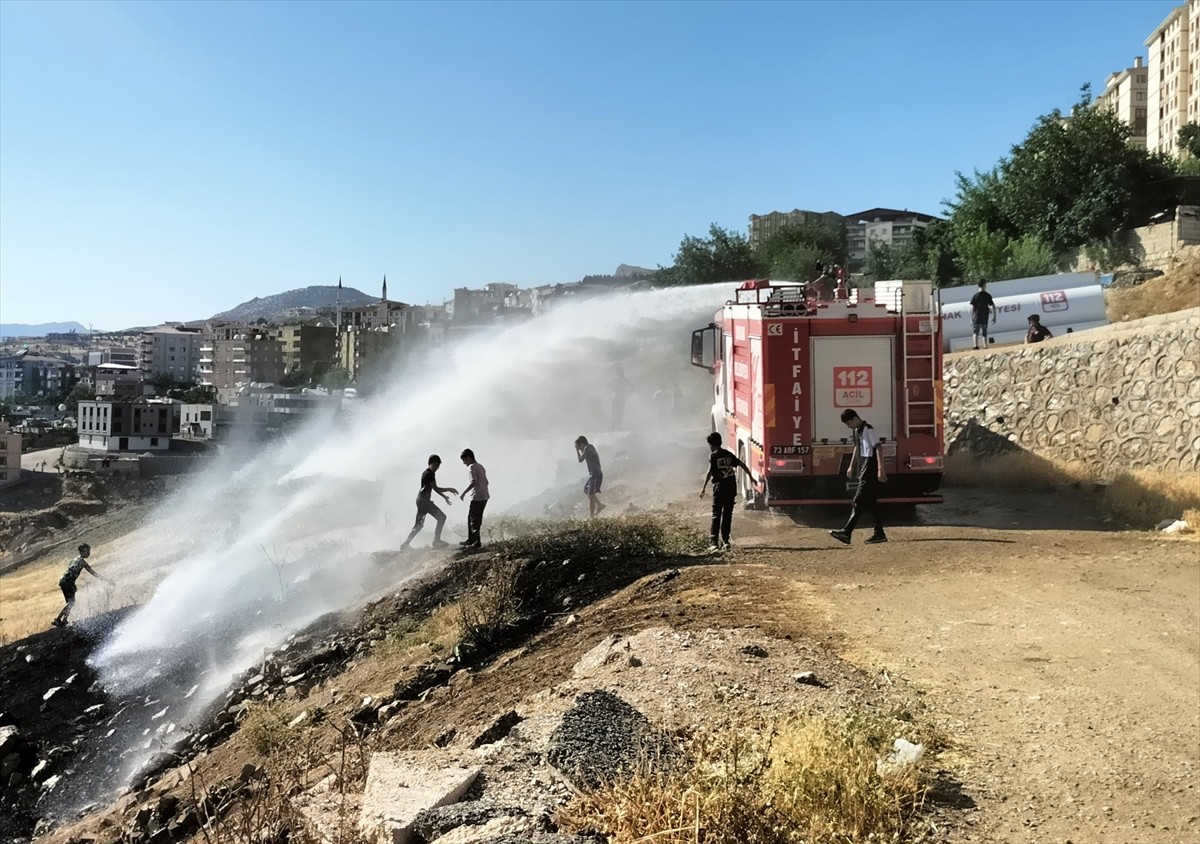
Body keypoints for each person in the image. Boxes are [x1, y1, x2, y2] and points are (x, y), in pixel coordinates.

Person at [829, 409, 888, 546]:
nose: (849, 426)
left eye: (849, 423)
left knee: (858, 500)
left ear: (855, 418)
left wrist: (880, 468)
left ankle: (847, 532)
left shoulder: (868, 429)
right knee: (872, 503)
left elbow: (878, 448)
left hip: (870, 468)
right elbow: (856, 447)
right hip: (862, 467)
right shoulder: (856, 431)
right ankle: (879, 533)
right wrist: (851, 466)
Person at [699, 432, 754, 551]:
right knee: (727, 514)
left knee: (716, 514)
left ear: (712, 445)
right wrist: (750, 476)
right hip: (731, 488)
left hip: (719, 489)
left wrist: (703, 488)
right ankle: (725, 541)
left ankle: (714, 542)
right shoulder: (729, 454)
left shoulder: (713, 456)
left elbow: (710, 472)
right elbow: (741, 464)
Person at [401, 455, 458, 550]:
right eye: (436, 466)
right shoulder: (429, 474)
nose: (437, 468)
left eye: (438, 466)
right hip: (424, 502)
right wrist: (449, 489)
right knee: (442, 517)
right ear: (432, 463)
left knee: (419, 525)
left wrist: (444, 497)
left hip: (421, 500)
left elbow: (433, 488)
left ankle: (405, 545)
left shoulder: (428, 473)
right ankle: (436, 541)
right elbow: (436, 488)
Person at [52, 543, 105, 627]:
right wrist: (105, 579)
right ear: (83, 551)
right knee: (71, 603)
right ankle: (59, 620)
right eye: (88, 551)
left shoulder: (74, 559)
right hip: (67, 582)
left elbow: (70, 570)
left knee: (71, 602)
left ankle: (62, 620)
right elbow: (92, 572)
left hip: (64, 581)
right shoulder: (81, 562)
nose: (89, 553)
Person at [458, 449, 490, 549]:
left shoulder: (472, 467)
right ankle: (474, 541)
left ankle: (474, 541)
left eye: (464, 460)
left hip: (477, 496)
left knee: (473, 519)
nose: (464, 463)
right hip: (484, 496)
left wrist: (463, 493)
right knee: (476, 519)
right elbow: (486, 482)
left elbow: (474, 482)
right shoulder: (480, 466)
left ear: (468, 458)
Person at [574, 436, 606, 518]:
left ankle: (591, 517)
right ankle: (600, 505)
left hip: (595, 474)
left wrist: (576, 450)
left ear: (581, 443)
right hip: (593, 474)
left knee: (591, 495)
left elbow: (580, 460)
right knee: (586, 490)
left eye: (579, 446)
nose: (580, 450)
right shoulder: (589, 448)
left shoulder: (588, 448)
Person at [969, 281, 997, 350]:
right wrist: (994, 316)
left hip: (977, 316)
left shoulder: (975, 296)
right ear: (984, 286)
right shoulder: (987, 295)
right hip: (985, 316)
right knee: (984, 332)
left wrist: (971, 317)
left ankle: (975, 345)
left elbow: (972, 307)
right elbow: (993, 306)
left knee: (975, 332)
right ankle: (985, 346)